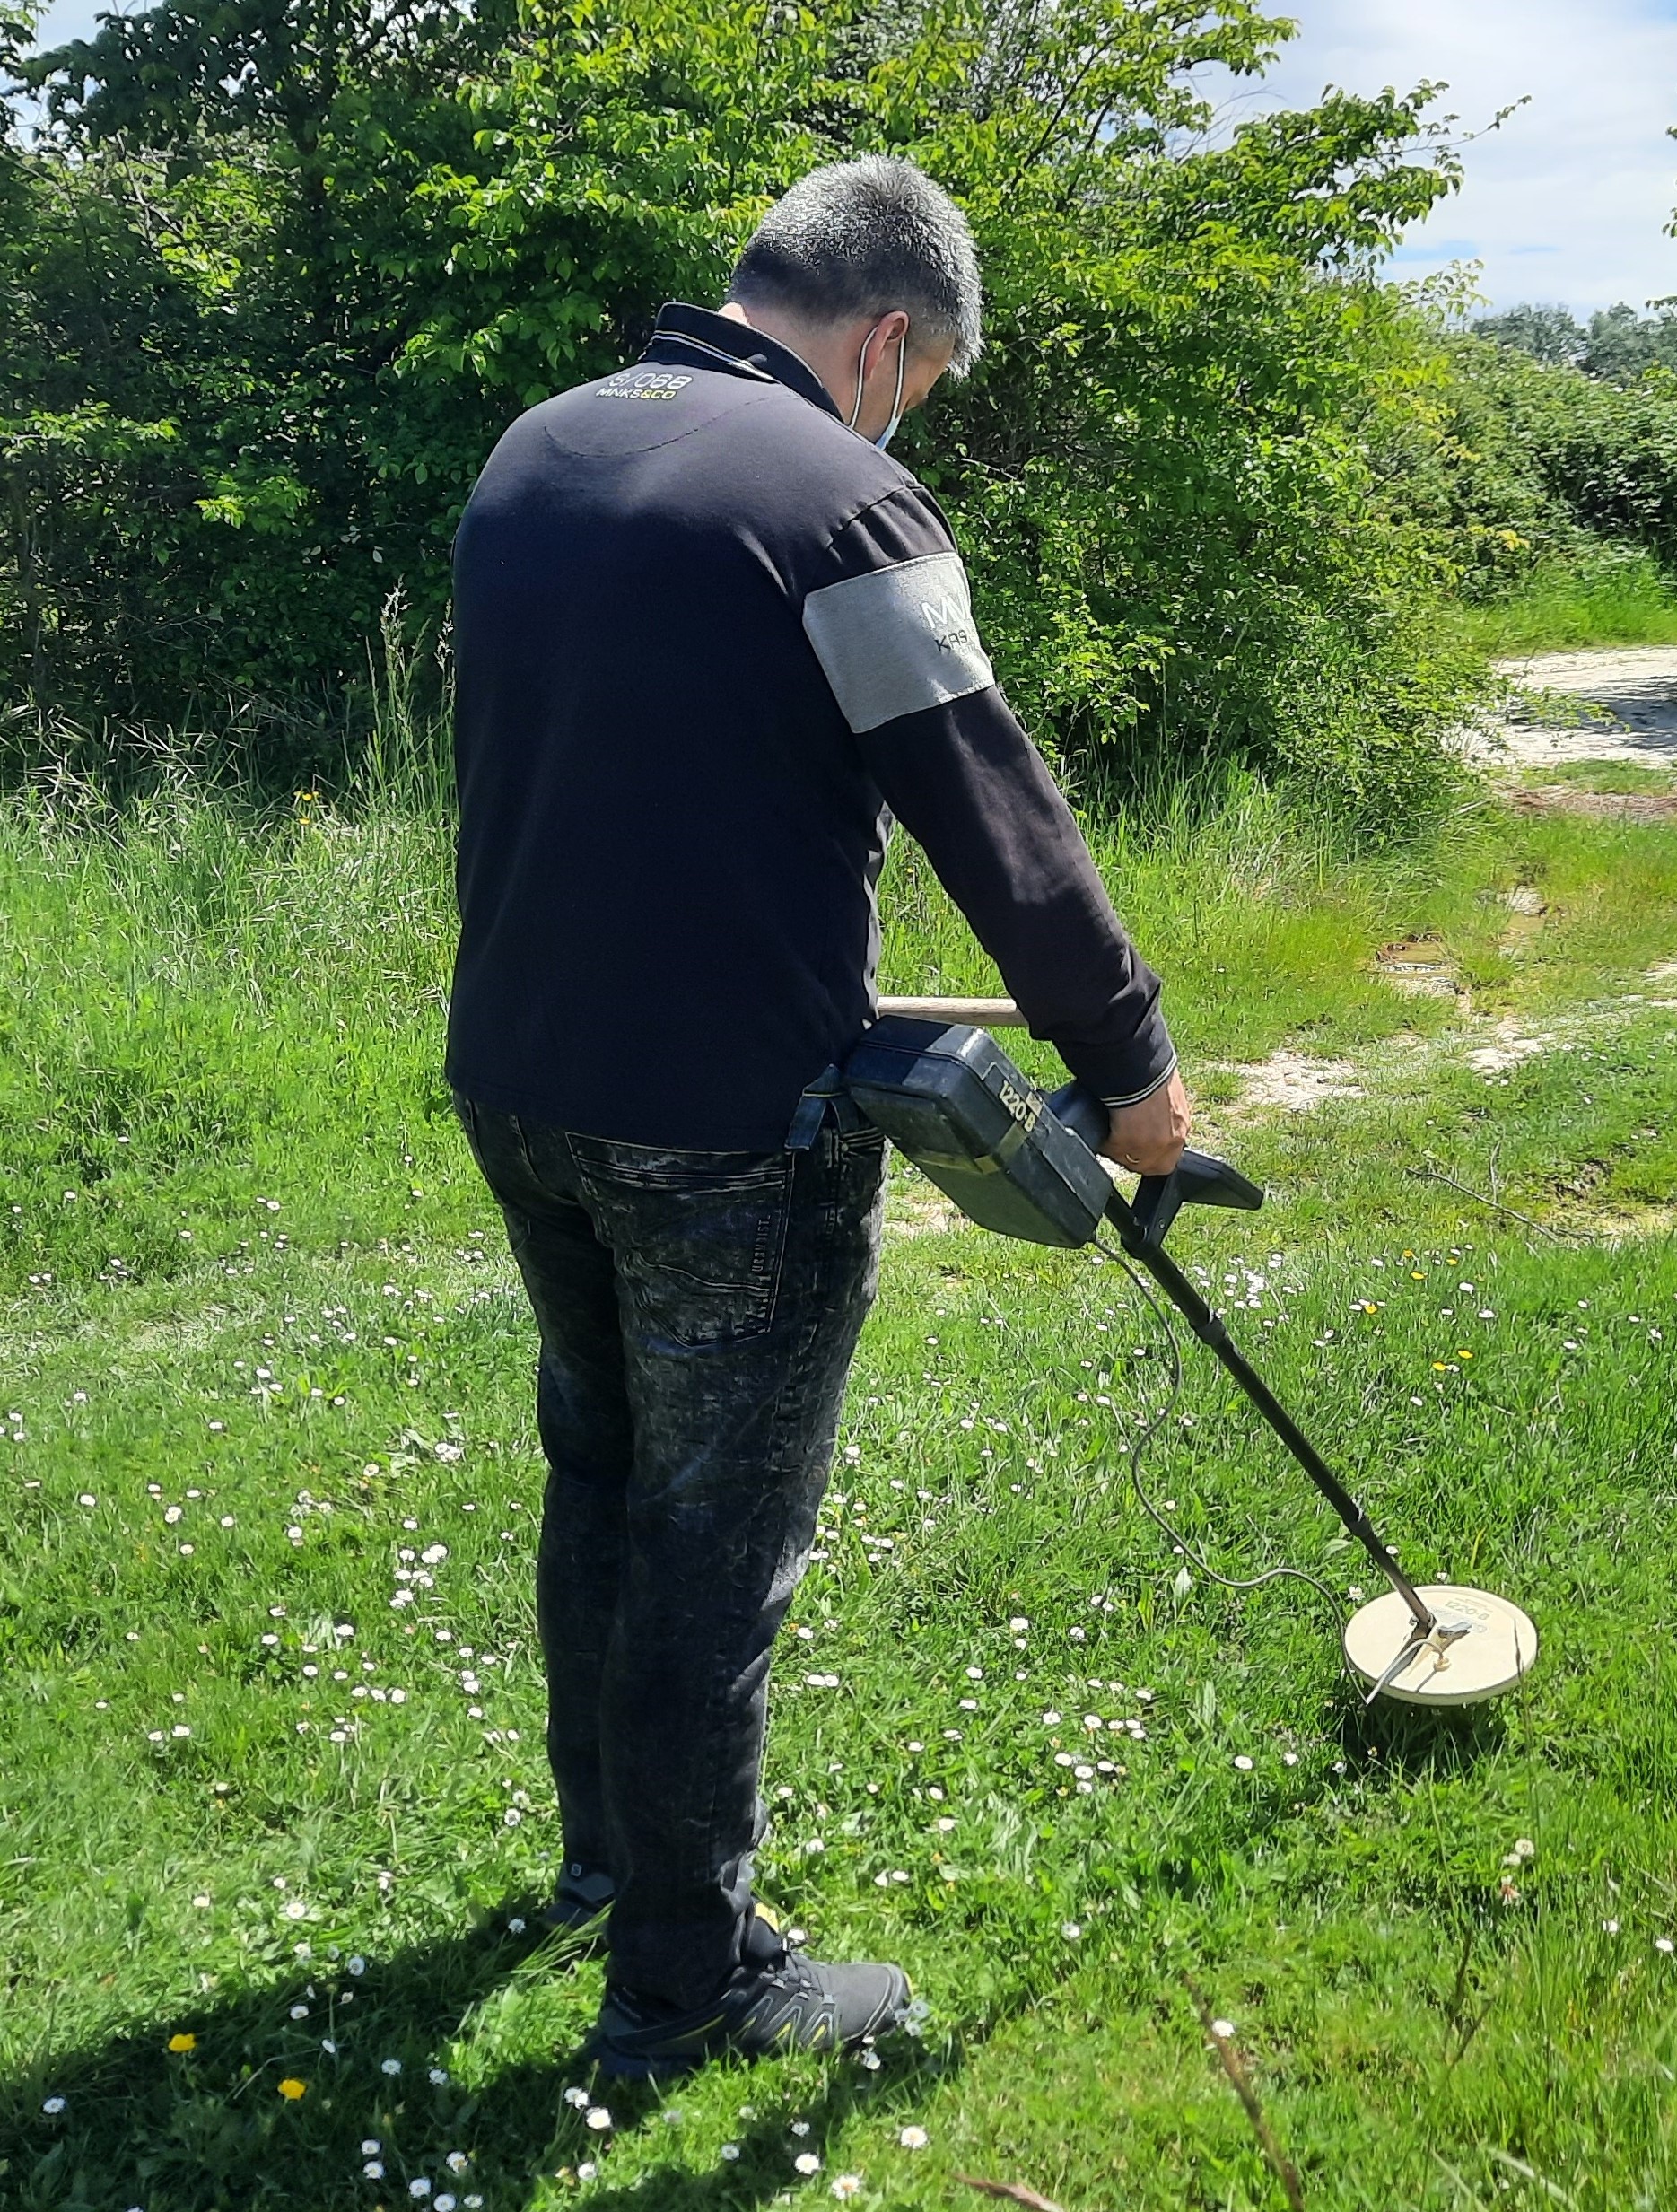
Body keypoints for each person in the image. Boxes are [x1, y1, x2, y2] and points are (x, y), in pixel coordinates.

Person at [444, 155, 1192, 2078]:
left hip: (523, 1078)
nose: (905, 413)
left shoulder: (540, 451)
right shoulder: (838, 500)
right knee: (714, 1543)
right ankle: (690, 1986)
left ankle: (615, 1860)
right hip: (722, 1126)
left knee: (603, 1477)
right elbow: (987, 804)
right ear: (881, 338)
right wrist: (1133, 1072)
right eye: (918, 381)